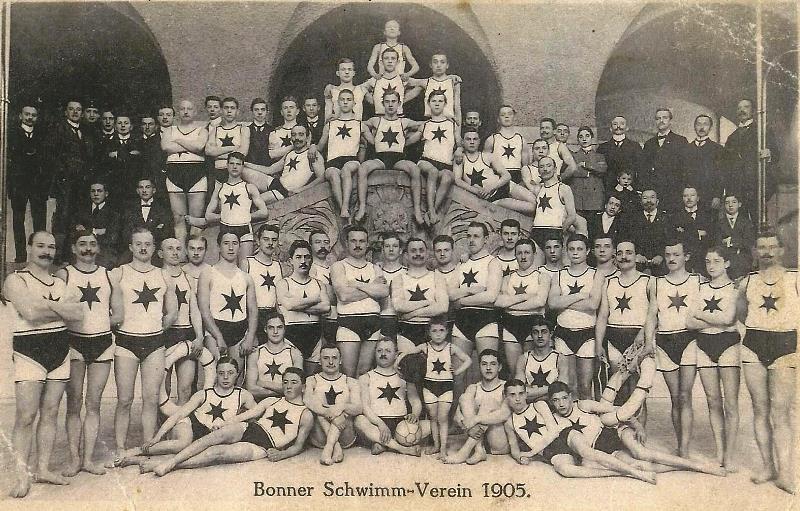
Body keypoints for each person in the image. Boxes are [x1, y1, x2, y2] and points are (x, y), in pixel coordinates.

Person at [5, 232, 85, 497]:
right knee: (26, 416)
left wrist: (45, 307)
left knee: (51, 413)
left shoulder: (61, 282)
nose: (46, 251)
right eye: (40, 246)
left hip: (60, 351)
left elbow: (78, 314)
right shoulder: (15, 280)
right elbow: (29, 313)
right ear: (28, 248)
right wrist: (59, 308)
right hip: (30, 351)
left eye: (51, 247)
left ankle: (43, 469)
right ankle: (21, 475)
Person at [549, 377, 726, 480]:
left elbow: (618, 410)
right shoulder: (554, 420)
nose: (561, 404)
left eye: (564, 398)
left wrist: (637, 425)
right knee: (640, 466)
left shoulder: (583, 405)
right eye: (556, 400)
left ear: (570, 396)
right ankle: (685, 467)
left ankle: (702, 466)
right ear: (551, 402)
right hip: (603, 447)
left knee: (642, 453)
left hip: (614, 431)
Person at [151, 367, 313, 476]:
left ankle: (170, 464)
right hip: (250, 428)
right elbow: (245, 416)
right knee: (214, 437)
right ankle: (171, 461)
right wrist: (224, 424)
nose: (289, 386)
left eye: (294, 382)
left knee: (217, 453)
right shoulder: (272, 400)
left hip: (263, 446)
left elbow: (298, 446)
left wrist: (282, 454)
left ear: (303, 387)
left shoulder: (305, 414)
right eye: (285, 382)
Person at [108, 228, 178, 464]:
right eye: (138, 244)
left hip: (155, 343)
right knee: (125, 399)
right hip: (127, 343)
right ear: (131, 247)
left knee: (150, 399)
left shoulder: (164, 275)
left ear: (153, 246)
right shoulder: (119, 273)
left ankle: (148, 448)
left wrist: (155, 329)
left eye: (148, 244)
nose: (143, 248)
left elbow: (172, 312)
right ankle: (120, 448)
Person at [57, 231, 123, 477]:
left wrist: (99, 322)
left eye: (92, 244)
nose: (87, 248)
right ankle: (74, 459)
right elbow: (57, 310)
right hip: (74, 343)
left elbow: (118, 314)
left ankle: (87, 459)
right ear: (73, 248)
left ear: (98, 248)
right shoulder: (64, 274)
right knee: (73, 405)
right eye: (82, 244)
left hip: (102, 343)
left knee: (93, 404)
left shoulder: (108, 275)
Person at [118, 356, 255, 472]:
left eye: (230, 373)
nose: (226, 377)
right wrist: (157, 437)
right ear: (216, 374)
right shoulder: (204, 394)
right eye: (221, 373)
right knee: (183, 444)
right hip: (190, 424)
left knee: (202, 453)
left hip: (211, 433)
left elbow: (257, 415)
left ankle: (137, 460)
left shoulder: (243, 395)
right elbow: (178, 415)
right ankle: (137, 451)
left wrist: (235, 422)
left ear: (237, 374)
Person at [738, 230, 797, 493]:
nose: (767, 252)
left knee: (781, 412)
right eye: (761, 247)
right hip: (754, 345)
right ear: (755, 251)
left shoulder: (795, 278)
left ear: (782, 250)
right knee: (760, 409)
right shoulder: (747, 281)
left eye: (772, 247)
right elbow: (741, 313)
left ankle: (785, 472)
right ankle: (767, 466)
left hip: (785, 345)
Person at [685, 246, 741, 471]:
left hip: (728, 344)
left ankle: (730, 455)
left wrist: (700, 315)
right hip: (705, 344)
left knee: (731, 402)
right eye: (708, 261)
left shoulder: (735, 289)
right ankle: (719, 451)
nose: (711, 266)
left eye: (716, 261)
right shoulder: (700, 288)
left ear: (727, 263)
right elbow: (689, 322)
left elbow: (729, 319)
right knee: (713, 401)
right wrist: (712, 320)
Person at [644, 240, 701, 455]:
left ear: (686, 256)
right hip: (665, 342)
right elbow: (651, 316)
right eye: (668, 254)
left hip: (689, 339)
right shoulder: (657, 283)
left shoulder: (697, 281)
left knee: (685, 396)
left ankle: (683, 448)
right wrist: (649, 342)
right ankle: (680, 440)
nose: (671, 258)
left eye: (676, 254)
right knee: (675, 397)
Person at [355, 337, 431, 456]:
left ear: (396, 355)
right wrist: (380, 424)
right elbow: (365, 407)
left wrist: (415, 415)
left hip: (401, 424)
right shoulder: (366, 377)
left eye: (388, 351)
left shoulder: (405, 375)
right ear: (374, 353)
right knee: (359, 420)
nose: (383, 354)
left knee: (432, 425)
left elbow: (415, 401)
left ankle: (383, 444)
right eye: (379, 351)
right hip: (377, 424)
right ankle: (403, 449)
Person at [357, 90, 424, 223]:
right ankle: (362, 207)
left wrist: (409, 140)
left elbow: (425, 125)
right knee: (363, 168)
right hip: (380, 158)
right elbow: (357, 124)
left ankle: (417, 210)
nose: (390, 105)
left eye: (393, 101)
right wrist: (370, 139)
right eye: (387, 102)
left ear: (399, 103)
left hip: (398, 159)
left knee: (415, 170)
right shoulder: (376, 121)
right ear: (382, 104)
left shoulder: (404, 122)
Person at [408, 316, 471, 458]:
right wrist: (398, 364)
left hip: (446, 386)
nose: (438, 334)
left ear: (447, 332)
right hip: (429, 385)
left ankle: (443, 448)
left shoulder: (451, 347)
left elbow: (468, 360)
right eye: (434, 331)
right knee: (433, 417)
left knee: (443, 417)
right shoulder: (425, 347)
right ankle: (436, 446)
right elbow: (407, 354)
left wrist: (457, 371)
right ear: (429, 333)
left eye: (441, 330)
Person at [331, 226, 390, 376]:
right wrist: (372, 289)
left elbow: (383, 291)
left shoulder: (374, 268)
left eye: (362, 241)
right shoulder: (339, 266)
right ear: (347, 243)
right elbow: (344, 295)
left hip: (373, 324)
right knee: (348, 374)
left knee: (365, 373)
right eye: (354, 241)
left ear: (367, 243)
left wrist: (357, 284)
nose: (358, 245)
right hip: (349, 323)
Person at [198, 232, 258, 370]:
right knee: (213, 375)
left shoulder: (246, 277)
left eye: (235, 243)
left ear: (239, 247)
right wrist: (218, 336)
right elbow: (204, 310)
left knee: (234, 376)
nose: (231, 248)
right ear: (219, 247)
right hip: (215, 330)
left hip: (239, 330)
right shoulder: (208, 274)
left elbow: (253, 310)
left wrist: (249, 338)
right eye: (226, 243)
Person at [195, 151, 269, 262]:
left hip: (244, 229)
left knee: (245, 266)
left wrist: (244, 215)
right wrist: (227, 215)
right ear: (227, 165)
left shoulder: (249, 187)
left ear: (242, 166)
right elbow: (208, 215)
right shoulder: (220, 188)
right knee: (226, 266)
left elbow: (264, 212)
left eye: (238, 164)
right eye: (232, 163)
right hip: (226, 229)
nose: (235, 166)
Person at [549, 234, 598, 398]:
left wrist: (564, 301)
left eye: (580, 249)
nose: (575, 253)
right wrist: (579, 296)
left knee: (585, 386)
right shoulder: (560, 275)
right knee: (567, 385)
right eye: (571, 249)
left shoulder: (595, 274)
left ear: (588, 251)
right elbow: (552, 304)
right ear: (566, 251)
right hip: (563, 333)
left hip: (587, 333)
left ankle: (586, 422)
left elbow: (593, 305)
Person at [49, 99, 98, 262]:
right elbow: (52, 155)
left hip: (81, 183)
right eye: (71, 109)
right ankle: (58, 254)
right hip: (65, 182)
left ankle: (71, 254)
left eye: (78, 109)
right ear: (66, 112)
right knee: (63, 216)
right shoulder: (59, 129)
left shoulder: (84, 130)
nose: (75, 112)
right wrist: (63, 173)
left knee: (78, 216)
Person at [159, 238, 205, 405]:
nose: (174, 252)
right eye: (170, 248)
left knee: (185, 388)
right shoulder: (157, 276)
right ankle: (163, 426)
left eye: (178, 248)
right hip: (165, 335)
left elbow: (195, 310)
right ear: (160, 253)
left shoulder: (188, 278)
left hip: (186, 332)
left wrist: (199, 336)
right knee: (164, 388)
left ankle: (182, 425)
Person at [596, 240, 650, 379]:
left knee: (636, 388)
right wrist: (598, 343)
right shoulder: (609, 282)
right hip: (613, 337)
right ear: (615, 257)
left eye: (628, 253)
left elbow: (654, 314)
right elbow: (602, 316)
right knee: (617, 385)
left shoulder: (649, 281)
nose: (623, 257)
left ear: (637, 256)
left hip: (638, 338)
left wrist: (643, 334)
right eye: (619, 253)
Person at [160, 100, 209, 246]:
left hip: (196, 175)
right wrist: (190, 145)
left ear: (195, 112)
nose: (186, 111)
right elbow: (165, 147)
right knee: (178, 218)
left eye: (189, 108)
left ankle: (195, 255)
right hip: (174, 175)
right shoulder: (169, 130)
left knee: (195, 220)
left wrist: (179, 140)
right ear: (178, 112)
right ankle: (180, 255)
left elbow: (199, 146)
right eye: (182, 109)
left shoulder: (202, 130)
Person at [446, 349, 508, 464]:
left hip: (498, 441)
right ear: (479, 366)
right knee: (464, 398)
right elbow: (457, 415)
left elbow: (504, 415)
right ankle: (479, 450)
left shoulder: (505, 387)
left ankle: (464, 452)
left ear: (499, 367)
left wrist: (475, 420)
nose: (488, 368)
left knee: (488, 401)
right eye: (484, 364)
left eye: (493, 364)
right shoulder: (474, 387)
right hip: (476, 436)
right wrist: (467, 426)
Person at [453, 129, 537, 214]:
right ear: (463, 142)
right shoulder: (460, 159)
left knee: (535, 201)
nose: (472, 142)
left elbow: (506, 176)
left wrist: (489, 188)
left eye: (475, 139)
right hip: (494, 199)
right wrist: (476, 191)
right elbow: (458, 180)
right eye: (468, 139)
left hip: (505, 186)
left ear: (479, 141)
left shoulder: (488, 156)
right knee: (531, 207)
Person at [277, 240, 330, 373]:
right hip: (291, 335)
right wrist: (316, 299)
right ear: (290, 260)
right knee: (295, 378)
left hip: (315, 335)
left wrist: (297, 305)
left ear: (311, 260)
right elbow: (288, 305)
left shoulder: (318, 284)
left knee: (311, 379)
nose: (303, 261)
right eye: (298, 257)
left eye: (307, 257)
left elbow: (326, 307)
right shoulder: (284, 283)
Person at [452, 222, 503, 358]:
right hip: (461, 321)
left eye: (476, 236)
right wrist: (473, 290)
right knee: (457, 374)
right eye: (469, 236)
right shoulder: (462, 263)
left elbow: (490, 296)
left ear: (485, 239)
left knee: (488, 370)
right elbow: (450, 294)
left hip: (485, 319)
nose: (471, 240)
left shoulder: (493, 262)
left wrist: (461, 301)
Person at [305, 345, 362, 465]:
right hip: (319, 437)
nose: (331, 362)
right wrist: (330, 413)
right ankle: (334, 447)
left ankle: (329, 448)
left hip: (346, 435)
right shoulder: (312, 380)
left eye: (334, 358)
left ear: (340, 360)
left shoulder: (350, 381)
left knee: (341, 402)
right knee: (318, 400)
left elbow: (358, 408)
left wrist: (340, 408)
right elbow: (308, 400)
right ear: (319, 361)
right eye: (326, 358)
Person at [496, 238, 548, 371]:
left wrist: (510, 304)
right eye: (519, 253)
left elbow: (539, 301)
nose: (523, 257)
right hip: (510, 325)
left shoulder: (542, 277)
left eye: (527, 252)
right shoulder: (508, 277)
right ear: (515, 255)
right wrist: (525, 297)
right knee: (515, 372)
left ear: (534, 254)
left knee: (532, 371)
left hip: (533, 324)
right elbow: (499, 302)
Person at [392, 237, 449, 353]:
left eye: (421, 250)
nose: (418, 254)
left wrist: (413, 313)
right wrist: (428, 302)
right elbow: (399, 306)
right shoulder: (399, 279)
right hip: (406, 331)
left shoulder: (437, 277)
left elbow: (443, 307)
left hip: (433, 330)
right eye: (413, 251)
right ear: (406, 255)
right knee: (409, 366)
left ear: (427, 253)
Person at [312, 89, 362, 219]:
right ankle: (343, 210)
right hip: (333, 161)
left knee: (346, 170)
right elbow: (320, 146)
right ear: (338, 102)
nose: (345, 102)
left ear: (354, 103)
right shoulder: (330, 124)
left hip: (351, 160)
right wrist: (312, 146)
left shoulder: (360, 124)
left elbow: (372, 142)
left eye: (348, 100)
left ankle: (345, 206)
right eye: (342, 100)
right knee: (333, 174)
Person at [724, 99, 779, 217]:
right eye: (739, 108)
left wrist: (769, 153)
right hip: (738, 190)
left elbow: (776, 154)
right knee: (740, 224)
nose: (742, 110)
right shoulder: (731, 137)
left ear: (753, 111)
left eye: (746, 107)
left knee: (758, 222)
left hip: (758, 187)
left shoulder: (763, 131)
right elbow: (727, 165)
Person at [247, 125, 326, 204]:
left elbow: (322, 179)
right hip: (277, 183)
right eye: (294, 135)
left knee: (252, 201)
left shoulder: (313, 154)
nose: (297, 138)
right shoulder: (290, 153)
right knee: (243, 170)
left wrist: (301, 190)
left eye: (301, 134)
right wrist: (245, 164)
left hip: (285, 193)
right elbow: (270, 169)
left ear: (307, 138)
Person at [8, 103, 47, 263]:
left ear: (37, 118)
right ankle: (21, 255)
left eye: (33, 115)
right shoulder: (12, 133)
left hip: (37, 184)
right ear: (21, 116)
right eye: (27, 114)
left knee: (39, 220)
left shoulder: (42, 135)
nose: (30, 117)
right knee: (18, 219)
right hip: (19, 183)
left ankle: (39, 255)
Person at [416, 91, 460, 225]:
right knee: (433, 172)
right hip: (426, 160)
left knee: (448, 177)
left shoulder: (452, 125)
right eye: (434, 101)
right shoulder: (425, 124)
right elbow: (411, 140)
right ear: (429, 103)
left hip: (445, 163)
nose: (437, 104)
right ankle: (431, 210)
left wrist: (459, 150)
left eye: (440, 101)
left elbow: (459, 143)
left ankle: (431, 213)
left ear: (445, 104)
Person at [241, 224, 285, 344]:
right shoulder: (247, 263)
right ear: (258, 241)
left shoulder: (278, 266)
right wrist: (249, 331)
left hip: (272, 319)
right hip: (252, 317)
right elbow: (242, 298)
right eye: (266, 239)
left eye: (274, 240)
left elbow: (278, 300)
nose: (270, 243)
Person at [245, 312, 302, 401]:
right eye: (271, 328)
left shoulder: (294, 353)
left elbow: (297, 388)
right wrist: (282, 391)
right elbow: (251, 389)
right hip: (261, 402)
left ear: (284, 329)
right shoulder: (256, 353)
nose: (275, 332)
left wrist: (263, 383)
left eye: (279, 327)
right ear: (265, 329)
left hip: (287, 403)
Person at [640, 108, 688, 211]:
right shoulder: (649, 144)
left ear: (670, 121)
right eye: (658, 118)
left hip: (674, 191)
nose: (661, 120)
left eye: (664, 118)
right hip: (654, 193)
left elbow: (685, 169)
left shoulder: (681, 141)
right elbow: (643, 169)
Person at [120, 177, 174, 262]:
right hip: (134, 251)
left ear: (154, 190)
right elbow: (126, 233)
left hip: (155, 252)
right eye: (141, 187)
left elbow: (166, 233)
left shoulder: (163, 209)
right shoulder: (130, 209)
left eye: (148, 187)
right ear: (137, 191)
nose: (144, 190)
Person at [517, 316, 569, 402]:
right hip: (530, 407)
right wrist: (551, 388)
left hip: (554, 407)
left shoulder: (560, 358)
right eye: (536, 332)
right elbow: (519, 391)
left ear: (551, 334)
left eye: (544, 332)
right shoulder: (523, 359)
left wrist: (531, 393)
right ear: (531, 335)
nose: (540, 336)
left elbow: (561, 390)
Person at [530, 156, 578, 249]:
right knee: (536, 263)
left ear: (555, 169)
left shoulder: (563, 188)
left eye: (548, 166)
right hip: (537, 232)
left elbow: (572, 216)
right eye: (541, 167)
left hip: (554, 232)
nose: (545, 169)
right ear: (538, 171)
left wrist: (559, 233)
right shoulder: (538, 189)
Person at [72, 180, 121, 268]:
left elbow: (112, 237)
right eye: (93, 191)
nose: (96, 194)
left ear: (106, 194)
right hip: (83, 251)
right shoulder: (82, 211)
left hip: (104, 252)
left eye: (99, 191)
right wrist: (98, 231)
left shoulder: (114, 213)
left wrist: (87, 231)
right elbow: (74, 231)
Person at [669, 186, 716, 274]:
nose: (689, 198)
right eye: (685, 196)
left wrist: (686, 232)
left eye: (692, 195)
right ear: (682, 198)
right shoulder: (675, 216)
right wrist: (697, 233)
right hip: (684, 258)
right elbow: (674, 238)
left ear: (698, 198)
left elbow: (712, 238)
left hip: (703, 257)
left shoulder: (708, 215)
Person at [404, 52, 462, 122]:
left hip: (449, 123)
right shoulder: (425, 82)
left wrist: (457, 131)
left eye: (442, 62)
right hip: (431, 123)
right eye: (435, 62)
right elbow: (404, 98)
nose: (438, 65)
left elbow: (457, 109)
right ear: (431, 65)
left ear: (447, 65)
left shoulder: (453, 81)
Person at [683, 114, 725, 211]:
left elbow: (720, 174)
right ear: (694, 127)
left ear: (710, 128)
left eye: (705, 124)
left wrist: (717, 196)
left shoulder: (717, 149)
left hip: (709, 197)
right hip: (690, 197)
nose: (702, 127)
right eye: (699, 124)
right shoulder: (687, 148)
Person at [623, 189, 669, 276]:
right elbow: (628, 240)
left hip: (662, 262)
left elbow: (670, 240)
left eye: (652, 197)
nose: (648, 200)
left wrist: (661, 255)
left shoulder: (666, 219)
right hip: (637, 261)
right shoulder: (632, 219)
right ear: (640, 202)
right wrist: (636, 254)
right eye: (645, 198)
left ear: (657, 201)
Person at [365, 47, 422, 118]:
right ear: (381, 62)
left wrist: (403, 99)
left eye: (393, 58)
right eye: (386, 58)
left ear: (398, 62)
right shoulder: (376, 79)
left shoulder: (402, 78)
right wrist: (375, 101)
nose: (390, 61)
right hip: (379, 118)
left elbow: (422, 84)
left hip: (398, 118)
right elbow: (361, 89)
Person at [205, 97, 250, 184]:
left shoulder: (243, 129)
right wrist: (233, 148)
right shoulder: (216, 129)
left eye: (232, 108)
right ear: (221, 111)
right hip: (217, 172)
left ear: (237, 111)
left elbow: (243, 153)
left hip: (237, 174)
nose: (229, 111)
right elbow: (208, 151)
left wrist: (218, 154)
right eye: (226, 108)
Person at [100, 113, 143, 203]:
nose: (123, 125)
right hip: (114, 186)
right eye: (119, 123)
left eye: (126, 123)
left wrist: (118, 154)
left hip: (133, 186)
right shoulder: (107, 143)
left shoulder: (139, 143)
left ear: (131, 126)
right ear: (115, 126)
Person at [568, 126, 607, 217]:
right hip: (579, 198)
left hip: (595, 199)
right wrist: (589, 172)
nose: (584, 139)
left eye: (587, 136)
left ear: (592, 138)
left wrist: (585, 165)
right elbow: (571, 172)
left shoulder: (599, 156)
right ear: (577, 140)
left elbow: (602, 169)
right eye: (581, 137)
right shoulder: (573, 156)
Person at [596, 115, 641, 194]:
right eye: (615, 124)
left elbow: (640, 169)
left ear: (627, 128)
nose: (618, 126)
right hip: (609, 188)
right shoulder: (602, 148)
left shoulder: (635, 146)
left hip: (629, 188)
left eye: (622, 124)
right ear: (610, 128)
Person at [715, 192, 755, 279]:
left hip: (743, 262)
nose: (730, 205)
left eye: (734, 202)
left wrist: (730, 241)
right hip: (725, 262)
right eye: (727, 203)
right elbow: (717, 243)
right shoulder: (718, 223)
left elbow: (749, 242)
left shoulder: (746, 222)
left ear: (739, 204)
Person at [484, 105, 528, 184]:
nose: (506, 116)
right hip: (498, 179)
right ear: (498, 119)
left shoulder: (521, 140)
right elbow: (485, 164)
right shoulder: (491, 139)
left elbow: (525, 166)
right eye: (503, 115)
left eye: (509, 114)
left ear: (514, 117)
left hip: (516, 179)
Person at [309, 229, 338, 346]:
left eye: (326, 242)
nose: (322, 246)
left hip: (337, 319)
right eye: (318, 242)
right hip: (320, 321)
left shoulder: (335, 268)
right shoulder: (310, 269)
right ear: (310, 245)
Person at [376, 233, 405, 340]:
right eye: (387, 246)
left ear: (401, 250)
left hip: (401, 320)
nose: (391, 249)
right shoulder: (375, 272)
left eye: (395, 246)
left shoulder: (407, 273)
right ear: (382, 250)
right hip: (380, 319)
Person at [266, 96, 300, 162]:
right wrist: (294, 147)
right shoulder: (274, 132)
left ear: (297, 111)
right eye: (285, 108)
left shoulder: (304, 131)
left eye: (291, 107)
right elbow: (272, 154)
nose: (289, 111)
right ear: (281, 112)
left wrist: (280, 151)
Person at [245, 97, 273, 168]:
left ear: (267, 112)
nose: (260, 112)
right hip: (249, 168)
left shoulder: (273, 130)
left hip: (267, 168)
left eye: (262, 110)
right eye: (256, 110)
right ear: (252, 111)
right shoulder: (246, 130)